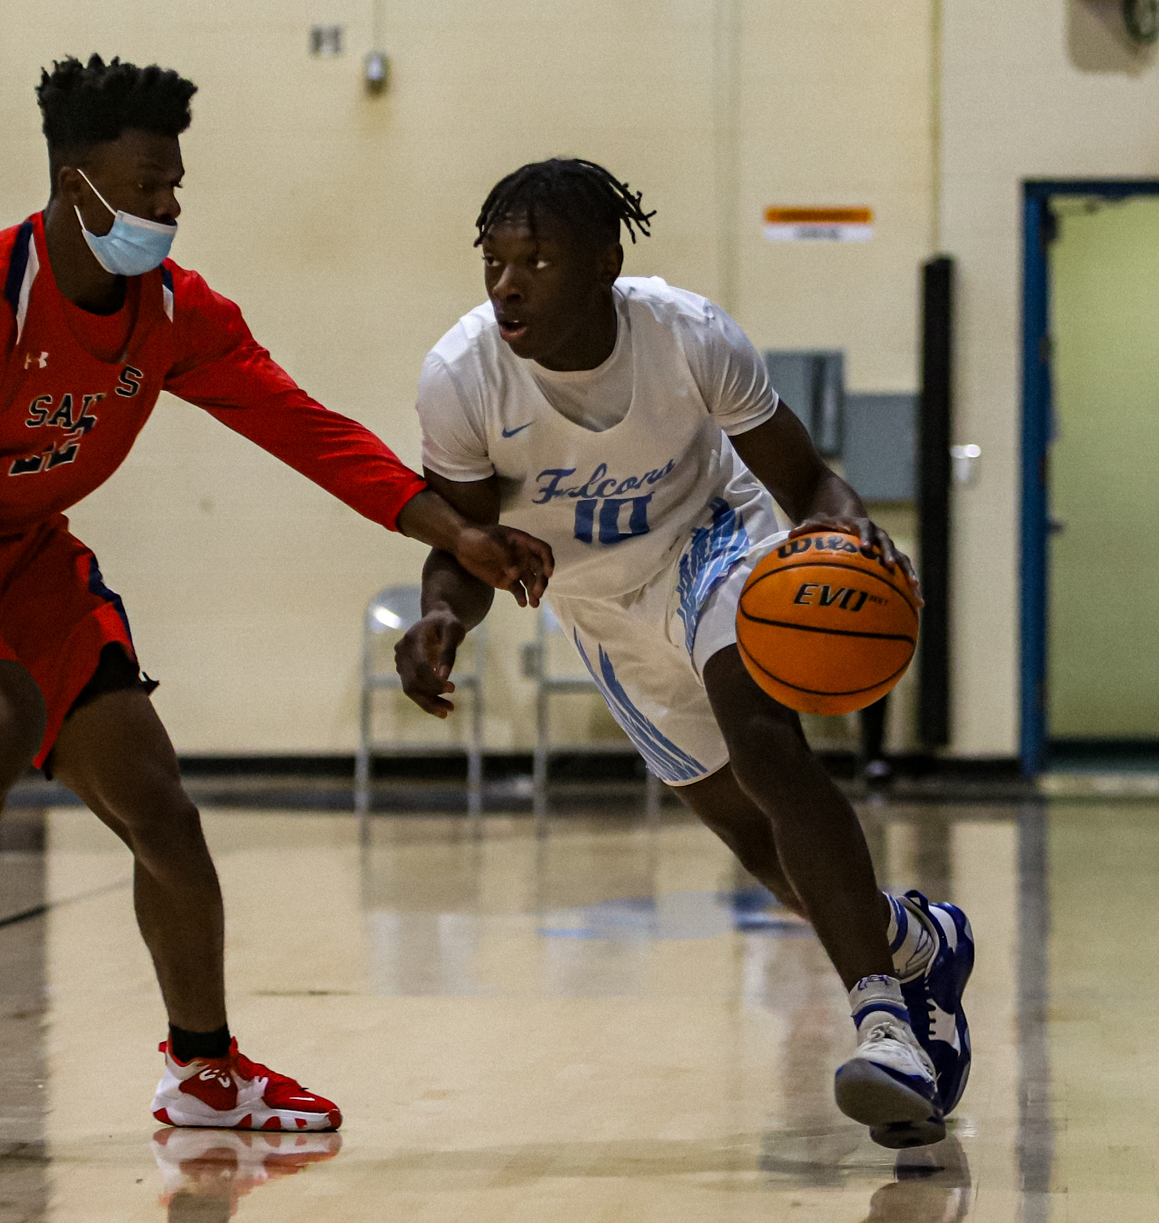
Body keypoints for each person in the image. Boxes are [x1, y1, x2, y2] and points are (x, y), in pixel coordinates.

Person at [0, 55, 552, 1131]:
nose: (167, 206)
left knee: (163, 814)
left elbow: (308, 431)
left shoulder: (174, 314)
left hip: (22, 549)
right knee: (0, 719)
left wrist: (456, 529)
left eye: (173, 183)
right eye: (145, 186)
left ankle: (202, 1070)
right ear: (72, 182)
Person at [391, 158, 973, 1148]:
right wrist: (440, 616)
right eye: (494, 259)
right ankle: (918, 940)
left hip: (717, 540)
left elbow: (803, 478)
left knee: (763, 738)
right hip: (598, 605)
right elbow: (465, 547)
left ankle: (885, 1021)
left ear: (603, 263)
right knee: (757, 846)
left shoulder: (685, 333)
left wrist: (853, 532)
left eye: (535, 258)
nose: (506, 282)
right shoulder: (460, 375)